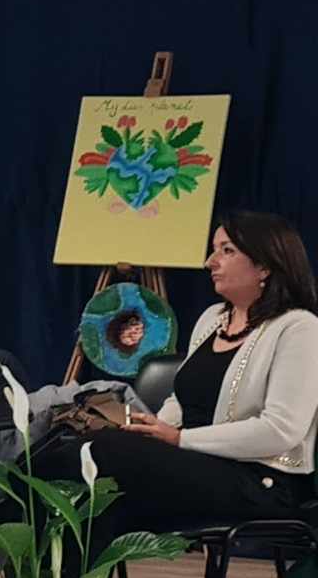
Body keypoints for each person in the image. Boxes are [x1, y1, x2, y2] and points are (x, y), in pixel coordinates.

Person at [34, 212, 317, 546]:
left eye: (226, 251)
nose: (211, 261)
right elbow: (181, 400)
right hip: (194, 467)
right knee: (72, 461)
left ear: (265, 266)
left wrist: (180, 439)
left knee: (104, 454)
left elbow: (281, 430)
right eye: (214, 250)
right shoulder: (212, 319)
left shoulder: (299, 328)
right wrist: (150, 430)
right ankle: (46, 575)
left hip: (261, 482)